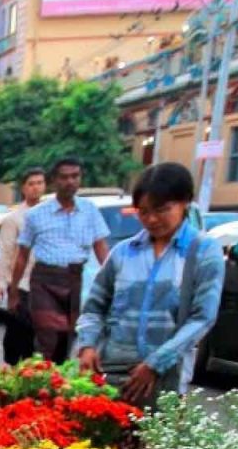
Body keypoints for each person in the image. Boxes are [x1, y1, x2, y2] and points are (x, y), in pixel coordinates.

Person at [74, 162, 223, 406]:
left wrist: (155, 363)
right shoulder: (123, 252)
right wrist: (88, 345)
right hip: (113, 371)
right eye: (143, 211)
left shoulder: (203, 252)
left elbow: (202, 318)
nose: (152, 219)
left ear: (185, 202)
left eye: (162, 209)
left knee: (154, 442)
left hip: (166, 376)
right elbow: (94, 307)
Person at [10, 157, 111, 361]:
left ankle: (59, 382)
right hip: (44, 281)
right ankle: (43, 379)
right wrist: (13, 291)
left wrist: (114, 281)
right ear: (54, 181)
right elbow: (22, 256)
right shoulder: (36, 214)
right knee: (48, 336)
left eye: (75, 176)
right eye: (64, 177)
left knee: (69, 336)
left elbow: (101, 249)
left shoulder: (90, 210)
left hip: (75, 279)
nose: (70, 182)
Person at [0, 167, 47, 364]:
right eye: (31, 184)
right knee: (19, 337)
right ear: (23, 188)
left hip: (45, 286)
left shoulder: (50, 215)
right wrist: (1, 283)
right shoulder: (13, 219)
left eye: (40, 183)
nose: (36, 188)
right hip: (21, 285)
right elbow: (6, 252)